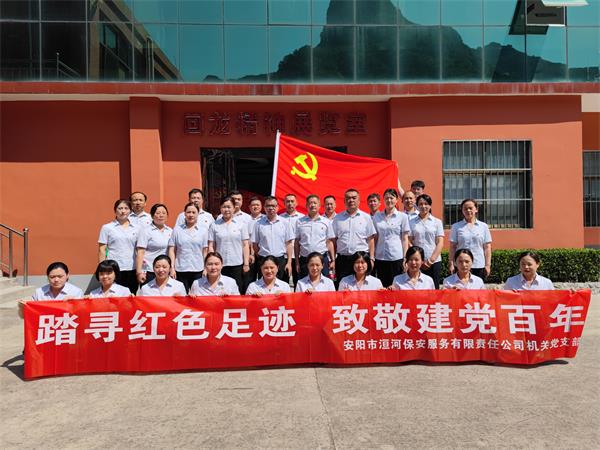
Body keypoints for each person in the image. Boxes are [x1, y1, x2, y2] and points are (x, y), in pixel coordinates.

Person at [331, 189, 376, 282]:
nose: (351, 200)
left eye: (354, 198)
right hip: (343, 260)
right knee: (343, 286)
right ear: (344, 201)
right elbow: (333, 241)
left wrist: (371, 258)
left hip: (361, 259)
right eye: (348, 198)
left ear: (359, 200)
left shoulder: (366, 218)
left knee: (363, 286)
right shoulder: (337, 218)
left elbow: (371, 240)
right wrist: (333, 260)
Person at [208, 196, 250, 292]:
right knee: (220, 289)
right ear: (220, 208)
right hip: (220, 265)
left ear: (234, 208)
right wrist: (212, 261)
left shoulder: (241, 224)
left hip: (237, 264)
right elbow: (211, 245)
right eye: (224, 207)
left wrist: (246, 263)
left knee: (237, 290)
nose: (226, 210)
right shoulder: (214, 225)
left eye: (229, 207)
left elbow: (245, 245)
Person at [98, 199, 139, 294]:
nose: (123, 211)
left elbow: (140, 250)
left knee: (131, 295)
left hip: (131, 268)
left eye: (126, 208)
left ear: (130, 211)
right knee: (113, 294)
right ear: (115, 210)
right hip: (114, 268)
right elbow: (102, 249)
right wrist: (102, 269)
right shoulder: (107, 227)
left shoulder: (137, 228)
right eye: (120, 208)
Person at [372, 188, 410, 288]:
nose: (389, 200)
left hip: (396, 257)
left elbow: (405, 239)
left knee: (396, 286)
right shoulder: (377, 217)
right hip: (380, 257)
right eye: (386, 198)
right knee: (382, 287)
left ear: (396, 200)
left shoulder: (402, 217)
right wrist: (372, 256)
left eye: (392, 198)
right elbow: (375, 238)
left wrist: (405, 258)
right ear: (383, 200)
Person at [252, 195, 294, 283]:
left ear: (277, 207)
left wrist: (289, 262)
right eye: (268, 206)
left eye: (273, 206)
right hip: (264, 259)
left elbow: (289, 244)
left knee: (281, 286)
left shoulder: (285, 222)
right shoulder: (258, 224)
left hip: (280, 260)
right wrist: (261, 257)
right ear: (264, 207)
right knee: (263, 285)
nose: (271, 208)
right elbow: (255, 244)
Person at [168, 202, 209, 292]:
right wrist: (172, 268)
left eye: (194, 212)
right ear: (184, 214)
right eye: (188, 212)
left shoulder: (203, 230)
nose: (191, 215)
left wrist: (206, 268)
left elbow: (205, 251)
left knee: (198, 295)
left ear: (198, 214)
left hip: (198, 269)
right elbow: (172, 250)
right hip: (181, 269)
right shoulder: (177, 230)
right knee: (181, 295)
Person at [449, 199, 492, 280]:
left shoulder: (483, 226)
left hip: (478, 264)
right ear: (462, 210)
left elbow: (487, 247)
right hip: (461, 264)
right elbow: (452, 247)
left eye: (470, 208)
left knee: (478, 287)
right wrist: (451, 263)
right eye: (465, 209)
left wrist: (488, 265)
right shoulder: (456, 227)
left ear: (476, 209)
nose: (468, 210)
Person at [295, 194, 335, 280]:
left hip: (322, 259)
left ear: (319, 205)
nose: (312, 205)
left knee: (323, 283)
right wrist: (297, 262)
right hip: (305, 260)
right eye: (310, 203)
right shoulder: (299, 222)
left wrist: (333, 260)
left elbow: (329, 242)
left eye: (315, 203)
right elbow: (297, 243)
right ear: (306, 205)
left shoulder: (326, 222)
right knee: (304, 283)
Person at [409, 194, 445, 289]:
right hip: (417, 262)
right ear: (417, 206)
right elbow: (409, 241)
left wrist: (430, 261)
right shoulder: (411, 222)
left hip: (434, 262)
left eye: (426, 204)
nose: (423, 206)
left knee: (434, 288)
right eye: (420, 204)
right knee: (417, 287)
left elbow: (440, 242)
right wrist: (417, 258)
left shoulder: (437, 222)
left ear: (430, 205)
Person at [136, 203, 173, 286]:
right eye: (158, 213)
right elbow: (140, 252)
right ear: (152, 216)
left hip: (165, 270)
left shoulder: (170, 231)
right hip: (150, 270)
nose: (161, 215)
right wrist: (139, 272)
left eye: (164, 213)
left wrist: (172, 268)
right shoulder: (146, 231)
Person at [281, 193, 305, 288]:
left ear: (296, 203)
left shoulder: (303, 218)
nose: (290, 203)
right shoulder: (280, 218)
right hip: (284, 255)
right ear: (284, 203)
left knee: (298, 282)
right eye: (288, 201)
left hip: (298, 255)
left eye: (292, 201)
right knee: (284, 283)